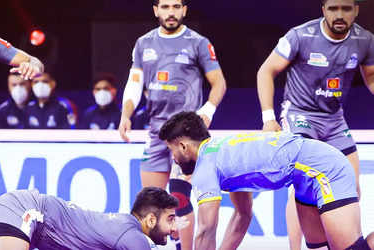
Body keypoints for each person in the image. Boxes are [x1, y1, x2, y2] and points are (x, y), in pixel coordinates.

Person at [159, 111, 374, 250]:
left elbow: (206, 231)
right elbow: (242, 215)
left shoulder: (205, 167)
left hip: (323, 168)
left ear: (183, 146)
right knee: (318, 248)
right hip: (304, 178)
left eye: (171, 150)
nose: (173, 160)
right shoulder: (223, 154)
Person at [256, 0, 374, 249]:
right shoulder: (300, 35)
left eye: (346, 8)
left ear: (356, 10)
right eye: (333, 9)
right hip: (300, 115)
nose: (339, 14)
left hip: (334, 119)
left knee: (352, 186)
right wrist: (268, 118)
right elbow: (265, 71)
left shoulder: (365, 40)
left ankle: (348, 244)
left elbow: (371, 78)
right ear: (323, 10)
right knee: (305, 185)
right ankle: (296, 247)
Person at [118, 0, 227, 249]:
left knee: (179, 199)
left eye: (176, 6)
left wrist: (207, 112)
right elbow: (135, 83)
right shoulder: (143, 43)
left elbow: (219, 83)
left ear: (184, 10)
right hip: (156, 131)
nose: (171, 12)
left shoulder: (198, 42)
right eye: (165, 7)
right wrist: (126, 114)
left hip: (186, 137)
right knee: (149, 204)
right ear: (156, 10)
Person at [0, 186, 178, 250]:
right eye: (170, 219)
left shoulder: (120, 229)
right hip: (25, 209)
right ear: (151, 220)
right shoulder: (133, 236)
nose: (174, 228)